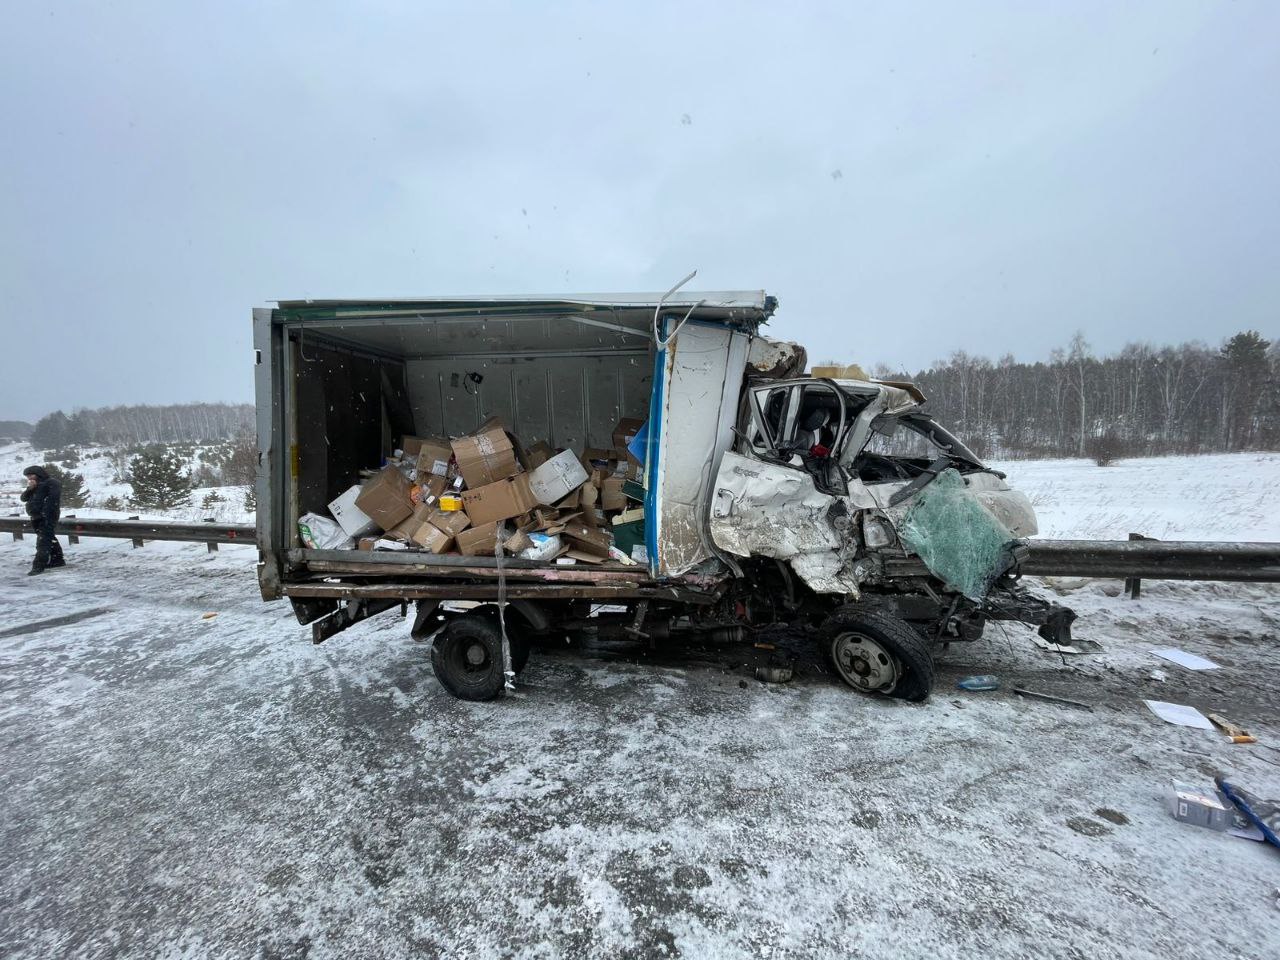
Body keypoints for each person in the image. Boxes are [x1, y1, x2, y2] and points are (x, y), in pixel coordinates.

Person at [20, 465, 65, 575]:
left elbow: (53, 501)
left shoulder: (52, 482)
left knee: (43, 541)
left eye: (31, 475)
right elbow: (23, 498)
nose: (29, 478)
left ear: (38, 473)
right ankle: (57, 560)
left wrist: (46, 515)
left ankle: (38, 566)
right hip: (36, 517)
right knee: (49, 538)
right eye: (28, 477)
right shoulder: (34, 486)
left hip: (47, 516)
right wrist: (30, 489)